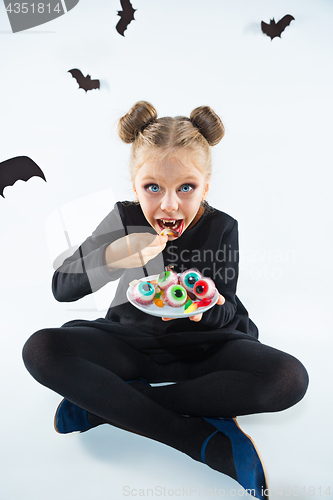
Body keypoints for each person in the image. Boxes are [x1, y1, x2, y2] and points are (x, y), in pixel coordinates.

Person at [22, 101, 309, 500]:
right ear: (135, 184)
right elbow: (62, 287)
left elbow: (227, 312)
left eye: (186, 188)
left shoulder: (222, 227)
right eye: (152, 187)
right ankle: (196, 440)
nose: (169, 204)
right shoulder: (124, 219)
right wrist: (113, 255)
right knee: (40, 348)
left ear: (205, 187)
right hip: (130, 344)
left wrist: (204, 309)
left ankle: (104, 406)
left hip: (206, 349)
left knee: (289, 380)